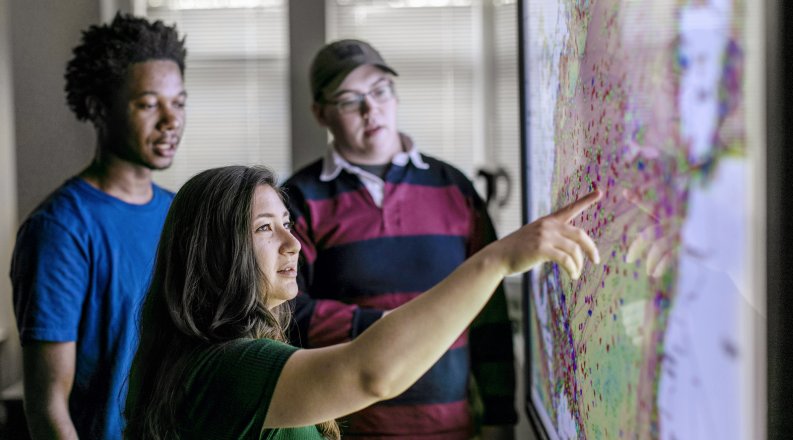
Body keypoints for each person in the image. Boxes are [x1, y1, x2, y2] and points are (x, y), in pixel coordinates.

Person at [124, 164, 601, 439]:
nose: (293, 244)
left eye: (287, 223)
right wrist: (496, 260)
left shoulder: (205, 354)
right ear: (215, 251)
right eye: (265, 228)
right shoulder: (230, 366)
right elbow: (373, 372)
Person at [281, 39, 517, 439]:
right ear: (320, 113)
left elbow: (489, 314)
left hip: (452, 430)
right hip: (348, 431)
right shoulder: (297, 200)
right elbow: (285, 313)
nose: (370, 109)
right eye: (349, 100)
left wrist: (500, 416)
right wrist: (383, 326)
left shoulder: (454, 188)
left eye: (379, 91)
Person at [9, 13, 187, 439]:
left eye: (179, 102)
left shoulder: (180, 212)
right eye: (149, 104)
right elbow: (47, 406)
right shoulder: (61, 229)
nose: (171, 120)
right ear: (98, 108)